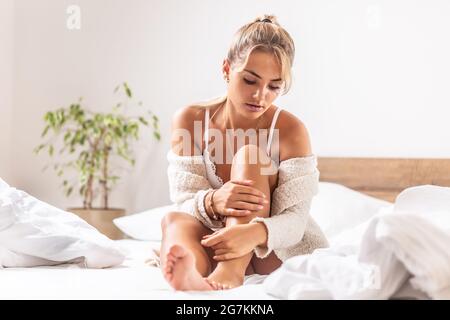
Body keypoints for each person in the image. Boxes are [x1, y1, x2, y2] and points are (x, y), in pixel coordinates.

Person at [160, 14, 329, 291]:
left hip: (271, 252)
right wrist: (214, 201)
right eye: (250, 80)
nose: (260, 95)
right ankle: (191, 275)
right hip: (216, 244)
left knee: (250, 156)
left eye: (274, 86)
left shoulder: (291, 131)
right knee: (174, 220)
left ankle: (230, 272)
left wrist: (254, 232)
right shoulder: (190, 120)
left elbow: (296, 223)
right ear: (227, 70)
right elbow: (184, 203)